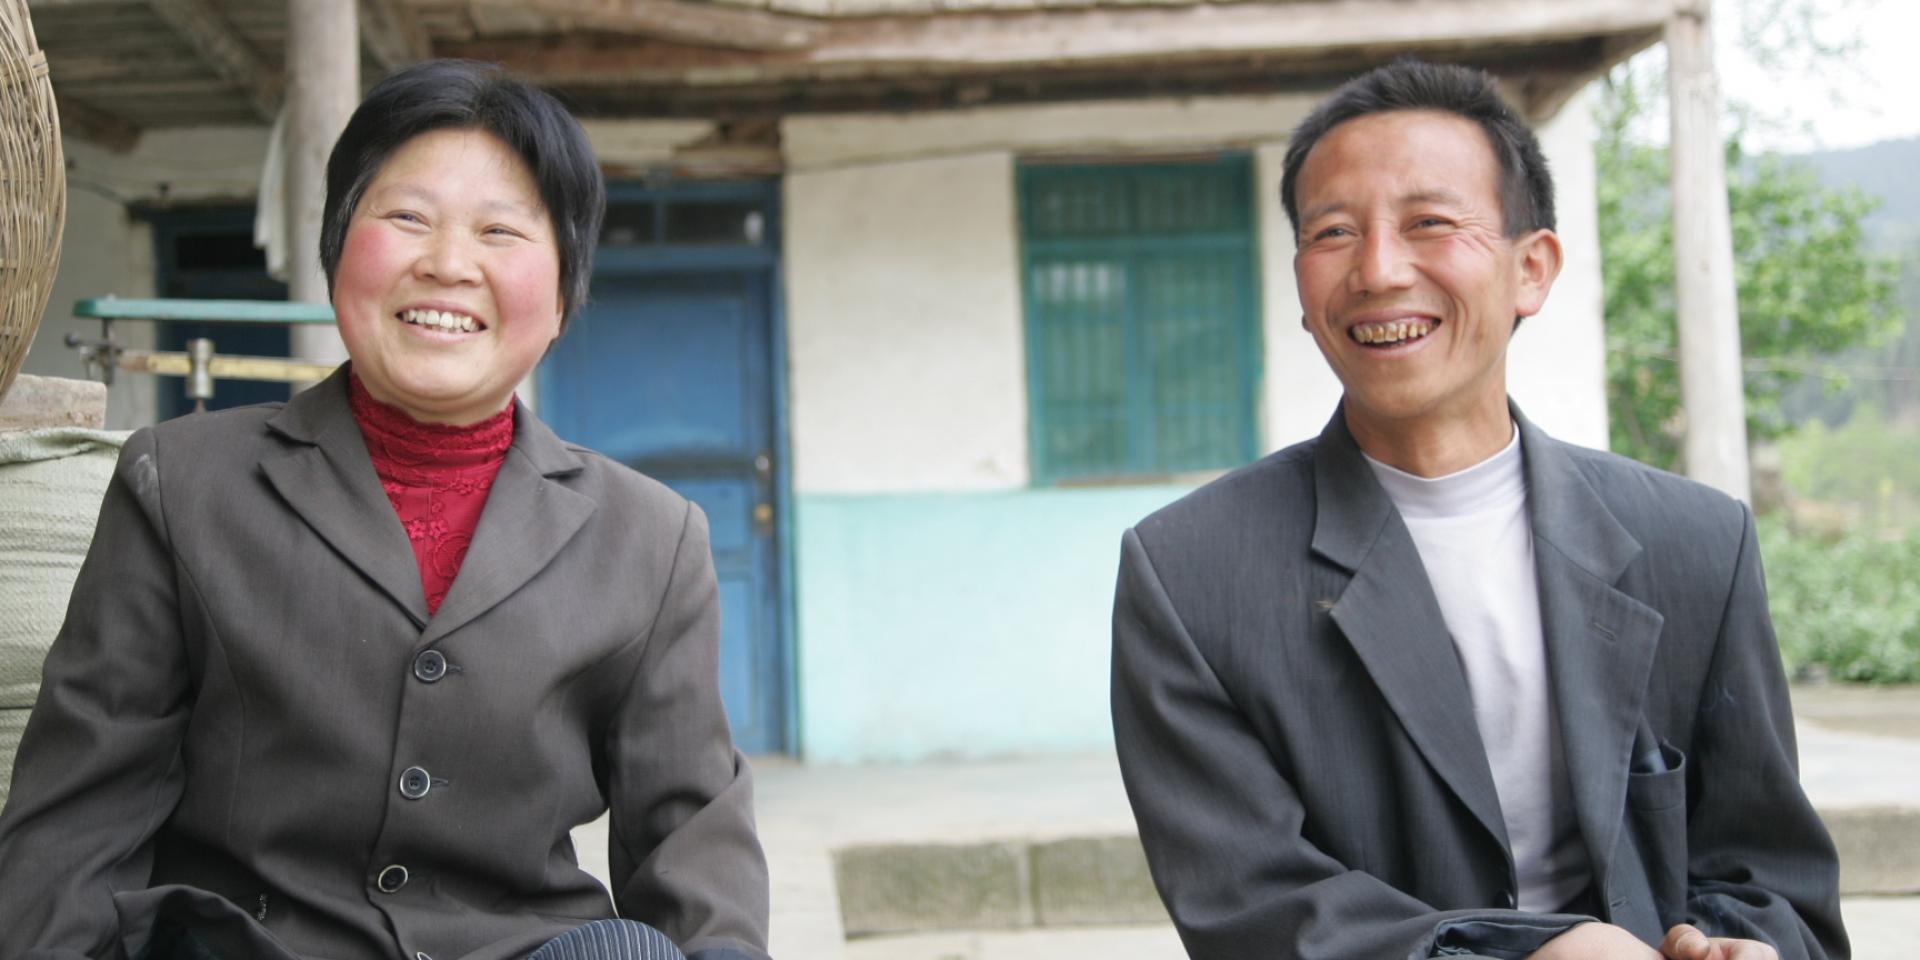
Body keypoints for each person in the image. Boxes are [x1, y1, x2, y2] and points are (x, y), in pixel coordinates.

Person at [0, 60, 770, 960]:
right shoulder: (181, 481)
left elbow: (697, 850)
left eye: (501, 231)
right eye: (407, 217)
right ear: (337, 249)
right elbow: (76, 822)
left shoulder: (650, 537)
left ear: (564, 293)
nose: (447, 263)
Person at [1110, 59, 1846, 960]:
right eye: (1333, 232)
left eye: (1429, 222)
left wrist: (1738, 946)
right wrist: (1528, 954)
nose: (1378, 270)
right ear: (1302, 287)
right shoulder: (1190, 574)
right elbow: (1250, 912)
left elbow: (1774, 883)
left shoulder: (1695, 544)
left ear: (1531, 268)